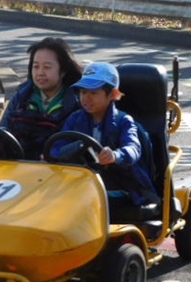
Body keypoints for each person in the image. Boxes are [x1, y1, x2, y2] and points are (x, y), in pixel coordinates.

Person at [55, 62, 159, 206]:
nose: (86, 98)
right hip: (82, 182)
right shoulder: (75, 119)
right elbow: (59, 143)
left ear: (113, 94)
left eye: (93, 93)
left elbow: (133, 148)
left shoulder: (124, 121)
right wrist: (53, 155)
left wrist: (115, 155)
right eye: (83, 92)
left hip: (120, 185)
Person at [0, 37, 83, 160]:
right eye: (36, 66)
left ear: (63, 71)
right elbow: (2, 132)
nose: (40, 73)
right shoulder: (21, 97)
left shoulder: (77, 102)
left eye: (47, 67)